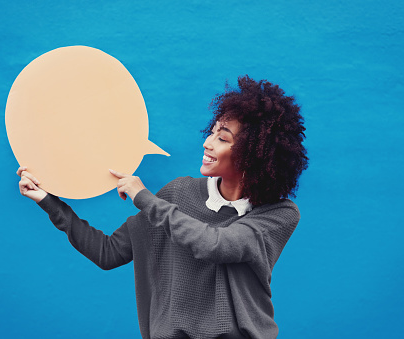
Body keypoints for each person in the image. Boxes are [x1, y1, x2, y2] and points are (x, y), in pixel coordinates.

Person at [17, 75, 308, 339]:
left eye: (222, 138)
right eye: (212, 132)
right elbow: (107, 253)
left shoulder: (277, 214)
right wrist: (47, 200)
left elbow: (216, 245)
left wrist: (143, 197)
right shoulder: (177, 193)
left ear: (255, 155)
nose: (207, 143)